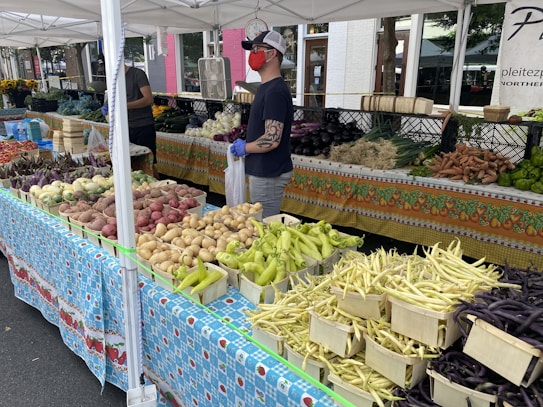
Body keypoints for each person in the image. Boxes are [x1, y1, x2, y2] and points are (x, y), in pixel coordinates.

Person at [230, 31, 293, 218]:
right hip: (264, 171)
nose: (253, 52)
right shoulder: (267, 88)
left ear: (272, 53)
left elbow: (272, 139)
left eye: (257, 48)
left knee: (266, 226)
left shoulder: (275, 91)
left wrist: (246, 147)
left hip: (269, 173)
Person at [102, 65, 158, 167]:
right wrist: (107, 106)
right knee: (129, 164)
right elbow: (110, 98)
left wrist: (124, 106)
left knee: (147, 164)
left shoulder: (137, 74)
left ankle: (155, 182)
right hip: (124, 128)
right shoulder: (113, 78)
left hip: (142, 126)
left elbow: (149, 99)